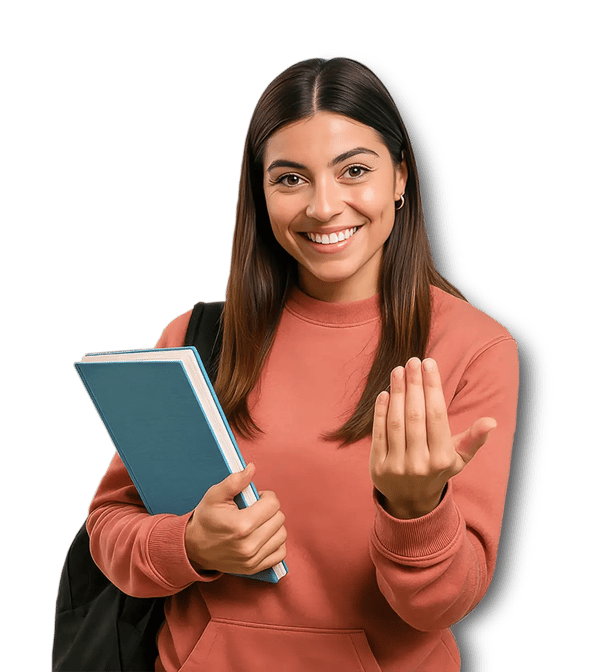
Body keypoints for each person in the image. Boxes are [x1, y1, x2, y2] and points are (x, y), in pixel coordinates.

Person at [86, 56, 520, 672]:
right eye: (290, 179)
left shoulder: (475, 348)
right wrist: (189, 545)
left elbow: (442, 605)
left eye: (354, 171)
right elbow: (110, 525)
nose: (323, 206)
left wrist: (416, 508)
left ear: (401, 177)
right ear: (260, 195)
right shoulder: (197, 338)